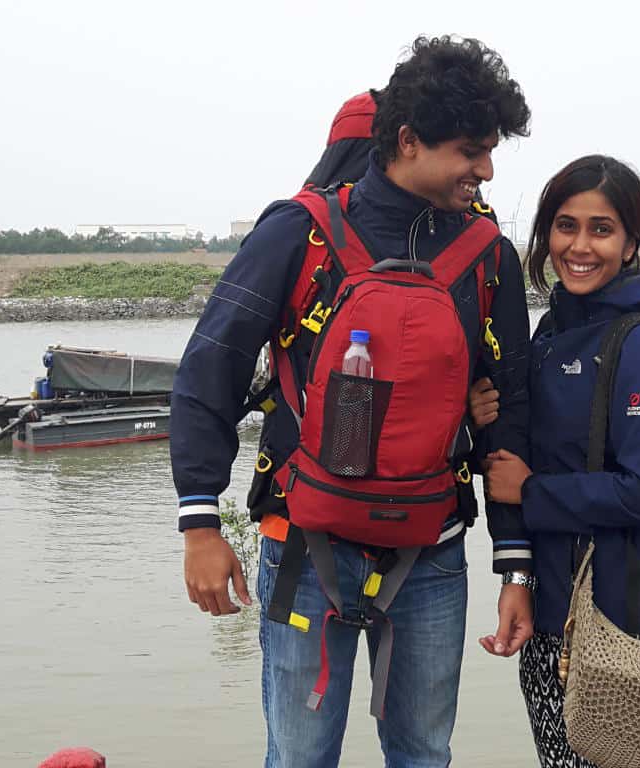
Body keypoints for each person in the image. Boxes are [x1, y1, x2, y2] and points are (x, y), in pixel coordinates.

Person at [170, 36, 535, 768]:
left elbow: (512, 414)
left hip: (431, 550)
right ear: (407, 140)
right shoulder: (297, 232)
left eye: (491, 151)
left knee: (425, 754)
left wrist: (515, 563)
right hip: (303, 543)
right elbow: (209, 371)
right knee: (301, 757)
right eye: (471, 150)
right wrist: (200, 524)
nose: (486, 171)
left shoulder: (490, 256)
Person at [476, 155, 640, 768]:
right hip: (554, 613)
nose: (580, 246)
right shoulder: (550, 334)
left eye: (602, 229)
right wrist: (482, 410)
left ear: (630, 244)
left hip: (622, 619)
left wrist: (532, 491)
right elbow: (535, 445)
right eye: (565, 226)